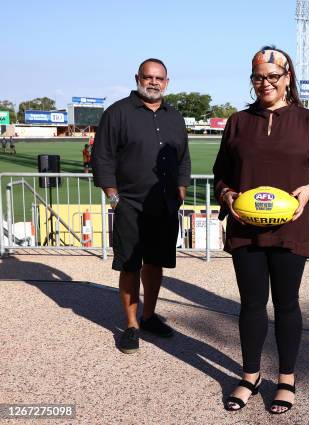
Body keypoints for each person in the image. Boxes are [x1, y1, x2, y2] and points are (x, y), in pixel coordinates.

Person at [213, 46, 309, 414]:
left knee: (287, 305)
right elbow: (221, 175)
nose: (264, 83)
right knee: (251, 304)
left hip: (291, 227)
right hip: (245, 228)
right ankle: (250, 375)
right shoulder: (238, 122)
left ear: (287, 78)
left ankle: (286, 379)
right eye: (258, 77)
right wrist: (227, 194)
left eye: (272, 76)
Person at [91, 58, 191, 354]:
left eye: (159, 78)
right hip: (130, 204)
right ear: (138, 78)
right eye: (148, 77)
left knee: (156, 262)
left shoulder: (175, 117)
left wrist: (181, 190)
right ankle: (132, 325)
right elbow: (103, 157)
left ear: (167, 82)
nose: (153, 82)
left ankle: (149, 316)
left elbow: (183, 159)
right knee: (130, 265)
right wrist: (113, 197)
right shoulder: (117, 113)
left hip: (164, 205)